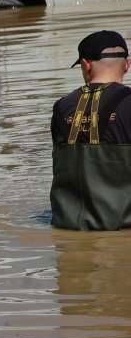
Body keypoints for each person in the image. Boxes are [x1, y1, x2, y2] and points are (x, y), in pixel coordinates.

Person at [50, 31, 131, 231]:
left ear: (86, 65)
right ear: (127, 64)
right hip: (123, 230)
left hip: (67, 225)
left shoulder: (61, 107)